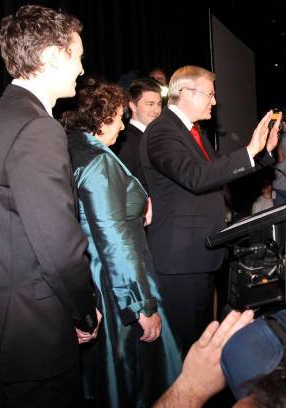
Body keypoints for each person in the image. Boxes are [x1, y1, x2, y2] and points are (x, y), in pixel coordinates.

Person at [0, 5, 99, 406]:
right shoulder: (38, 128)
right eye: (76, 56)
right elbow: (59, 250)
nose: (81, 68)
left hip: (0, 332)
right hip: (35, 337)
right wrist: (85, 313)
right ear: (53, 56)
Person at [140, 65, 280, 354]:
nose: (214, 102)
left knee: (201, 345)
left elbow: (219, 171)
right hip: (179, 260)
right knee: (184, 352)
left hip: (200, 254)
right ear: (186, 93)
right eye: (210, 94)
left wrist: (263, 152)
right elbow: (196, 177)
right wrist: (249, 151)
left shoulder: (193, 132)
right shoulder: (161, 132)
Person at [61, 77, 182, 408]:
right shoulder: (97, 161)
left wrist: (138, 205)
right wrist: (141, 306)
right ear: (100, 119)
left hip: (97, 276)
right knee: (140, 381)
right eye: (117, 117)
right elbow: (114, 240)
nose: (122, 126)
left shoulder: (75, 149)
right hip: (120, 286)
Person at [114, 77, 163, 190]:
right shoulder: (125, 141)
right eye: (150, 104)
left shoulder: (153, 137)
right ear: (133, 106)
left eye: (159, 104)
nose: (156, 110)